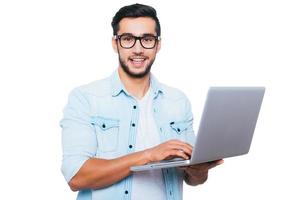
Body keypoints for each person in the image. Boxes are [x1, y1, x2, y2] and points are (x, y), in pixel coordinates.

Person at [60, 3, 223, 200]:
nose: (138, 49)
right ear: (115, 43)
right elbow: (76, 177)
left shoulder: (178, 101)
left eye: (147, 39)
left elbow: (193, 180)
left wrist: (200, 170)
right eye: (128, 39)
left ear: (158, 44)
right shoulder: (85, 98)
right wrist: (149, 155)